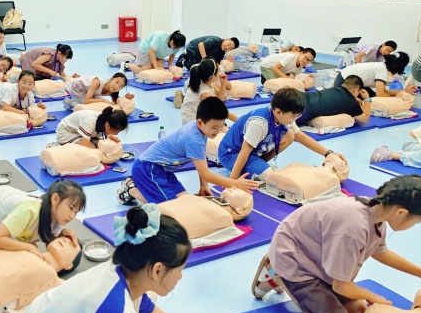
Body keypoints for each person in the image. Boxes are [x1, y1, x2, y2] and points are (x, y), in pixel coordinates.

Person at [255, 175, 421, 313]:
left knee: (360, 312)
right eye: (416, 222)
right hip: (294, 258)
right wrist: (373, 296)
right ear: (401, 212)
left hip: (316, 254)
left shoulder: (378, 212)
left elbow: (380, 252)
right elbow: (342, 286)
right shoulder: (353, 227)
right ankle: (278, 273)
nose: (413, 226)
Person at [22, 205, 193, 313]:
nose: (180, 277)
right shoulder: (115, 308)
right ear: (157, 270)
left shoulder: (127, 272)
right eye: (179, 270)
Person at [117, 97, 258, 206]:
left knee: (186, 202)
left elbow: (201, 160)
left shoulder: (201, 130)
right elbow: (206, 174)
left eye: (221, 126)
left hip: (163, 170)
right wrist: (235, 183)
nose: (218, 131)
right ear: (200, 123)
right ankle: (130, 189)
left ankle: (139, 187)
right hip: (148, 168)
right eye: (214, 127)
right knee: (173, 208)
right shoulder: (194, 139)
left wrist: (203, 186)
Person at [218, 88, 348, 182]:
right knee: (269, 177)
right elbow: (244, 152)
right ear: (279, 112)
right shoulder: (260, 123)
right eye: (293, 116)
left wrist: (329, 153)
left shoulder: (282, 116)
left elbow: (301, 137)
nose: (295, 119)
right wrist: (232, 182)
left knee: (290, 135)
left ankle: (259, 164)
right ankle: (258, 167)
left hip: (252, 153)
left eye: (297, 116)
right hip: (232, 154)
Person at [0, 180, 86, 255]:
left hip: (3, 202)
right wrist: (27, 248)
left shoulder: (55, 216)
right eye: (71, 208)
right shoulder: (28, 210)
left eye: (76, 212)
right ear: (55, 199)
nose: (72, 216)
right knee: (5, 256)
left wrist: (61, 235)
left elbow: (46, 238)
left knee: (25, 248)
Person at [177, 58, 238, 124]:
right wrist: (241, 121)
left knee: (221, 124)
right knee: (222, 126)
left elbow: (220, 99)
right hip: (192, 123)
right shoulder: (205, 93)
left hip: (200, 116)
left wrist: (223, 84)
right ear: (212, 77)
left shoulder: (208, 81)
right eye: (219, 71)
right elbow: (222, 111)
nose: (220, 73)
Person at [296, 75, 370, 126]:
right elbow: (365, 119)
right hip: (302, 111)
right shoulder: (351, 103)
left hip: (298, 96)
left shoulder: (335, 89)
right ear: (356, 90)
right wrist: (367, 99)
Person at [338, 52, 416, 98]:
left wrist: (404, 91)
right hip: (345, 82)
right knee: (371, 100)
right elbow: (380, 94)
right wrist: (398, 98)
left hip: (349, 79)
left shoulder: (382, 66)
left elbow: (384, 91)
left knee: (372, 96)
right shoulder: (381, 69)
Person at [54, 107, 128, 149]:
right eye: (116, 132)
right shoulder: (90, 121)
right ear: (108, 126)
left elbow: (100, 133)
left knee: (100, 145)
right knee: (92, 148)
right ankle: (57, 146)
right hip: (66, 132)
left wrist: (108, 137)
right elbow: (85, 147)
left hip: (78, 132)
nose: (116, 134)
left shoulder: (105, 120)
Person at [63, 73, 133, 110]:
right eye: (117, 82)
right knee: (89, 105)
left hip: (87, 91)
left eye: (120, 86)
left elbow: (116, 104)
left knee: (98, 102)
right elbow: (87, 101)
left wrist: (126, 98)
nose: (116, 86)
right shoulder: (97, 82)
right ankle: (70, 102)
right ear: (111, 79)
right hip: (75, 87)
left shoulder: (113, 92)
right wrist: (103, 100)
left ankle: (75, 100)